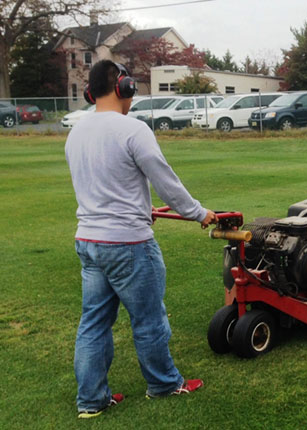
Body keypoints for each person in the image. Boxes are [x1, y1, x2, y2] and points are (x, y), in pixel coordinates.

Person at [65, 60, 214, 418]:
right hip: (128, 244)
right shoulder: (133, 129)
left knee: (94, 322)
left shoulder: (76, 133)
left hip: (88, 241)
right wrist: (199, 213)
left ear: (90, 92)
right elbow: (165, 180)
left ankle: (91, 401)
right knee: (149, 319)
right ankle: (163, 384)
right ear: (124, 87)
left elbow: (102, 184)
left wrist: (140, 207)